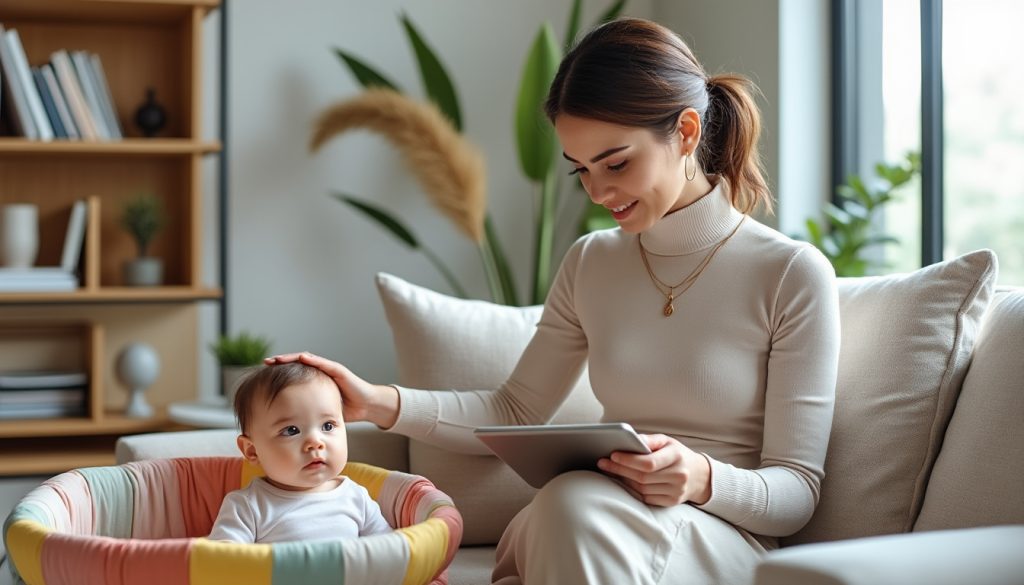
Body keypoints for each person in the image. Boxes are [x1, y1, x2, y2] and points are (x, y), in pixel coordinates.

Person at [269, 16, 841, 584]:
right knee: (568, 505)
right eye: (581, 170)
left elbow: (796, 493)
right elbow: (513, 411)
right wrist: (374, 402)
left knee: (568, 507)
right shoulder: (593, 261)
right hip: (593, 521)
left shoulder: (790, 273)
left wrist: (700, 478)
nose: (598, 191)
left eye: (616, 163)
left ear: (687, 133)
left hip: (718, 535)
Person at [208, 362, 391, 543]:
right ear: (252, 450)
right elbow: (223, 560)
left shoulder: (356, 497)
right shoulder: (247, 506)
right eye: (291, 430)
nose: (315, 443)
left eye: (327, 426)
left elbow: (390, 550)